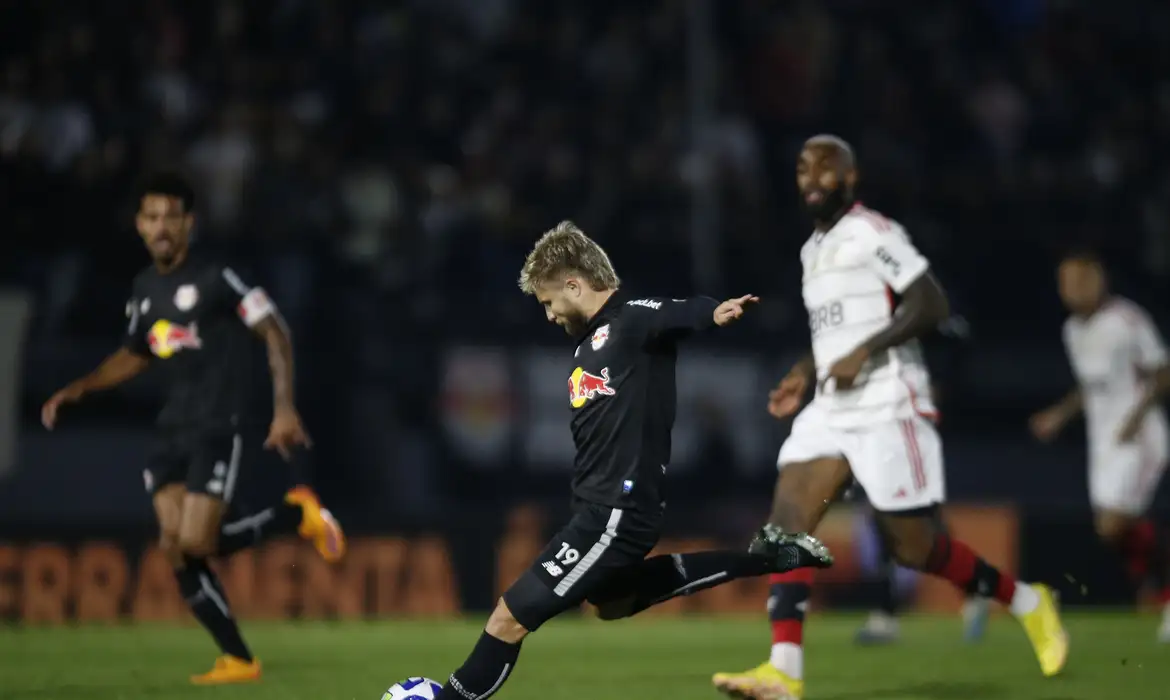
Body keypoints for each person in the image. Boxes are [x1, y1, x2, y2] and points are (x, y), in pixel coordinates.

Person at [711, 135, 1067, 700]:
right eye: (803, 167)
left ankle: (1027, 601)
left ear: (849, 179)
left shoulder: (873, 232)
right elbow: (833, 335)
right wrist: (806, 369)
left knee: (914, 548)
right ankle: (783, 670)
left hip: (889, 402)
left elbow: (929, 302)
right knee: (786, 521)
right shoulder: (811, 251)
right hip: (832, 407)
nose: (811, 177)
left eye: (825, 168)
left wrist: (866, 352)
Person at [430, 221, 833, 700]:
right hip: (599, 510)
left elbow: (670, 312)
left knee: (509, 616)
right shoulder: (589, 343)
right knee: (611, 601)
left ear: (574, 285)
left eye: (548, 302)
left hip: (614, 512)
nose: (548, 315)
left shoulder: (629, 319)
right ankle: (763, 557)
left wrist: (713, 312)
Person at [41, 173, 346, 684]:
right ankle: (238, 659)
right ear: (140, 225)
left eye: (171, 217)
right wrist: (82, 387)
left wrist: (284, 407)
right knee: (175, 547)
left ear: (188, 223)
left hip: (217, 423)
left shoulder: (218, 275)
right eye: (152, 217)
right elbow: (136, 353)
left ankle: (294, 516)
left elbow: (273, 329)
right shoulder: (143, 289)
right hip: (170, 429)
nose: (161, 227)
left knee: (197, 542)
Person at [1030, 249, 1170, 641]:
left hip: (1139, 436)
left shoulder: (1127, 320)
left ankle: (1162, 593)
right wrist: (1057, 415)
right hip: (1103, 440)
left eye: (1079, 280)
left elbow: (1162, 373)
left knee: (1115, 523)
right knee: (1109, 531)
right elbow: (1088, 388)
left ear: (1099, 280)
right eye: (1064, 283)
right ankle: (1154, 588)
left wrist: (1135, 418)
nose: (1071, 290)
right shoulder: (1072, 330)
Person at [851, 316, 990, 645]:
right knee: (887, 516)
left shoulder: (913, 300)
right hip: (879, 418)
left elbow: (956, 336)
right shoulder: (866, 307)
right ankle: (891, 611)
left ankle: (971, 590)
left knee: (911, 518)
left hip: (911, 420)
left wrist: (940, 385)